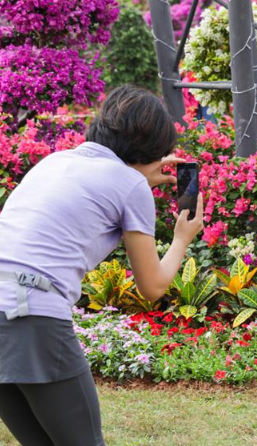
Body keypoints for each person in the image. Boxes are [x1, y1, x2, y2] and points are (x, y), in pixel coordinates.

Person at [0, 85, 205, 446]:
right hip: (32, 313)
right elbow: (152, 286)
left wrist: (137, 178)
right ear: (153, 149)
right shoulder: (131, 185)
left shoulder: (54, 162)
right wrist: (181, 239)